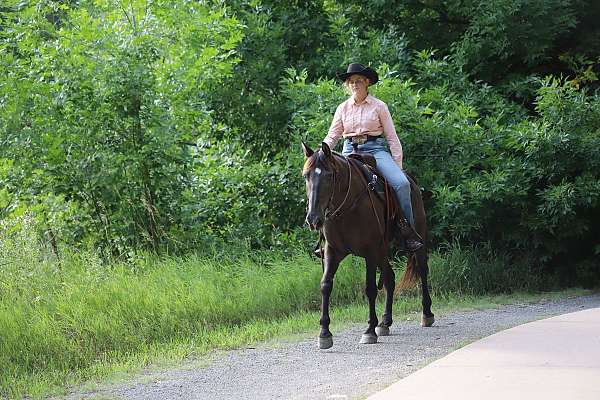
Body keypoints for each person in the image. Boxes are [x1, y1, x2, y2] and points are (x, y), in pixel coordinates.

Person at [323, 63, 423, 252]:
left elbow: (392, 138)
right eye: (351, 81)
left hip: (375, 150)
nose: (354, 84)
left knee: (402, 184)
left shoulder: (379, 106)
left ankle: (407, 232)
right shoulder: (342, 108)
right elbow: (333, 135)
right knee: (325, 184)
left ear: (367, 82)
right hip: (348, 151)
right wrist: (321, 153)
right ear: (347, 85)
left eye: (358, 80)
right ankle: (326, 238)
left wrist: (398, 165)